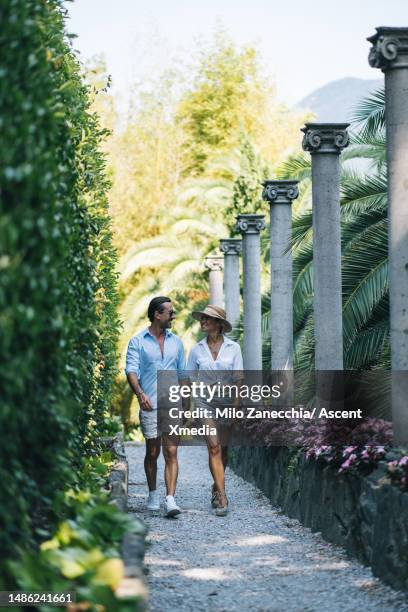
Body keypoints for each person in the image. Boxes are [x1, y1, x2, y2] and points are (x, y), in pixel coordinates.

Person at [125, 296, 185, 517]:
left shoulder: (176, 342)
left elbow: (183, 375)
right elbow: (131, 370)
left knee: (171, 451)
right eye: (170, 312)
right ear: (157, 314)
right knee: (153, 451)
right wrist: (140, 394)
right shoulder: (137, 342)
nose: (173, 315)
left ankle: (170, 499)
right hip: (150, 404)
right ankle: (152, 492)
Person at [187, 304, 243, 516]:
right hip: (205, 402)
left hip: (228, 402)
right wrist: (190, 408)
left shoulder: (233, 348)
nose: (202, 322)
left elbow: (239, 379)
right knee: (214, 448)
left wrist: (236, 407)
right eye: (201, 319)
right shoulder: (196, 350)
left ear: (219, 324)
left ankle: (215, 486)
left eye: (207, 319)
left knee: (225, 449)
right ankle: (222, 495)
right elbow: (190, 380)